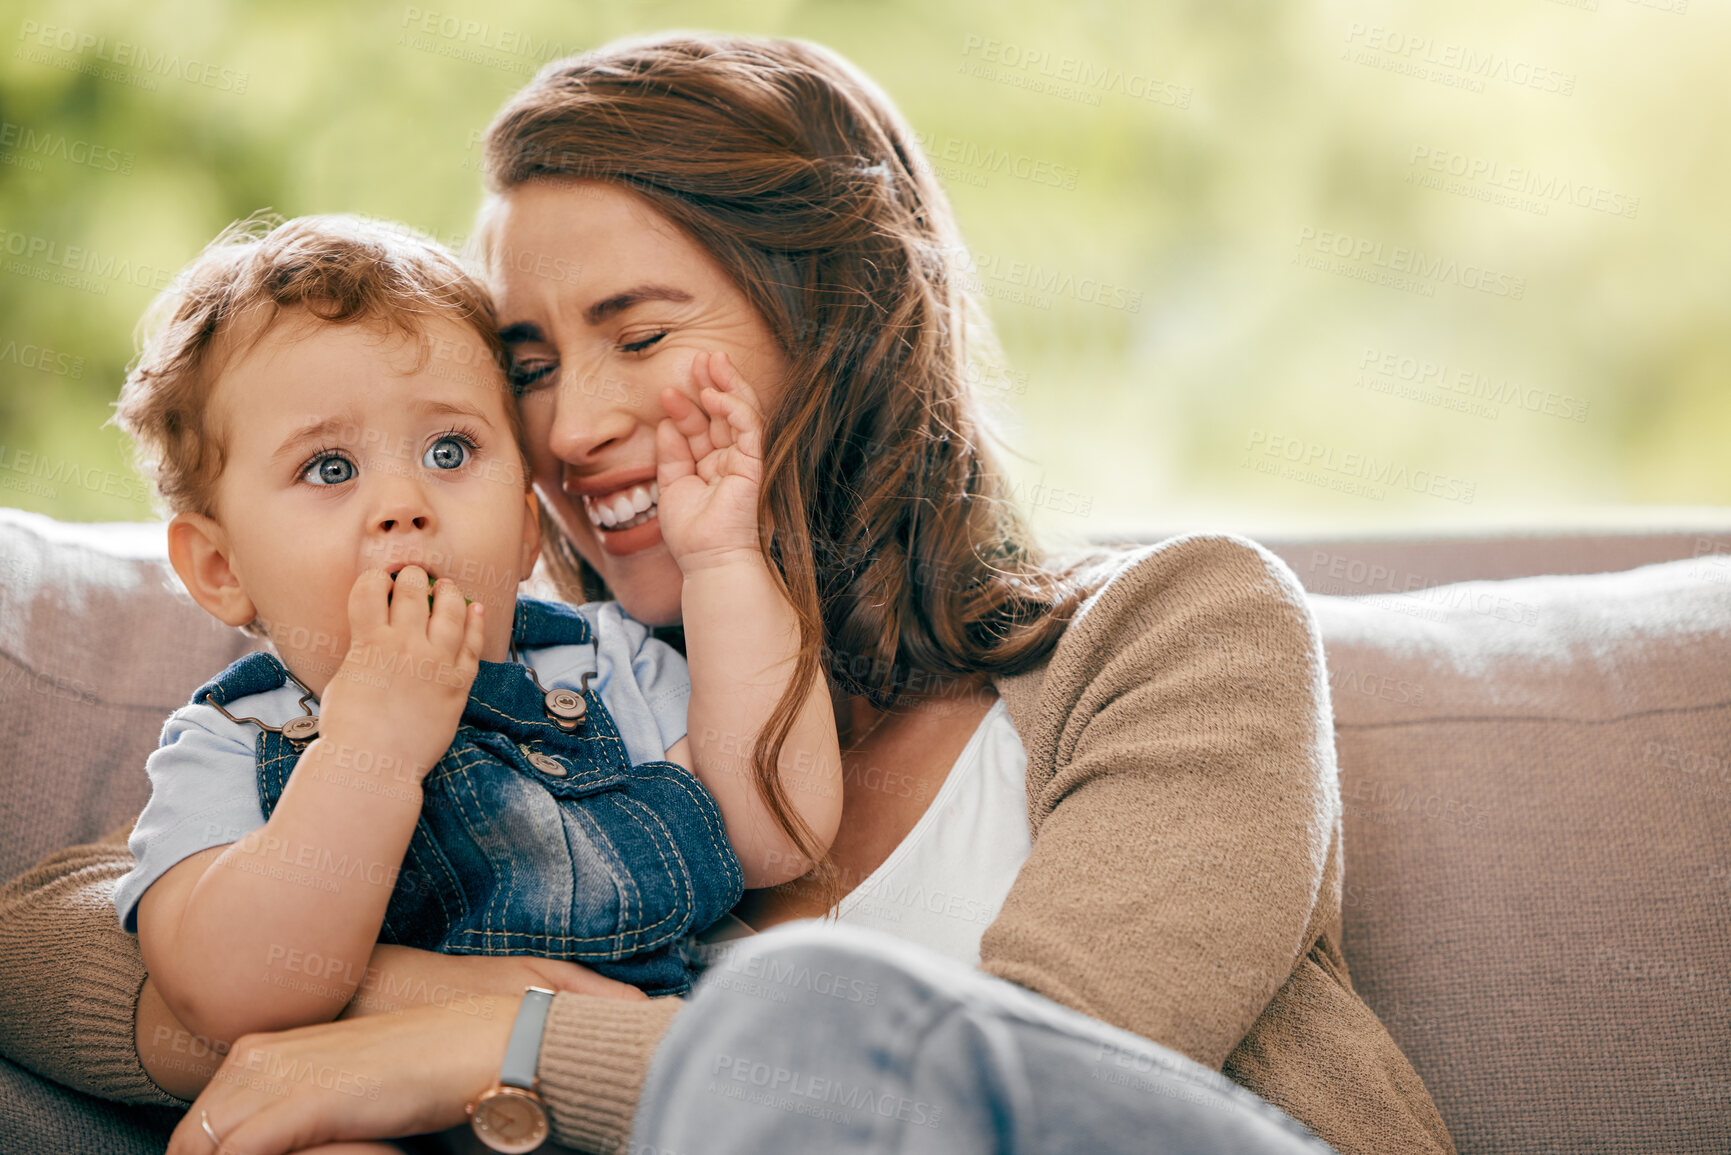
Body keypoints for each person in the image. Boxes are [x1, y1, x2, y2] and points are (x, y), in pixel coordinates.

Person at [0, 32, 1458, 1155]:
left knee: (810, 1004)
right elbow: (52, 936)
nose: (568, 430)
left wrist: (505, 1040)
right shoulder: (545, 701)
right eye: (526, 369)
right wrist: (415, 1000)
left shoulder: (1179, 630)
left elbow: (998, 1085)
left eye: (637, 334)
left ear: (840, 328)